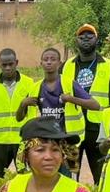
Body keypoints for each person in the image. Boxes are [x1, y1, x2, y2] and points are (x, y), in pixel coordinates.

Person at [16, 48, 100, 177]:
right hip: (45, 143)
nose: (49, 62)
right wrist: (23, 104)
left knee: (70, 180)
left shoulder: (69, 84)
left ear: (59, 63)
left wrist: (71, 99)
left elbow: (95, 105)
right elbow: (19, 118)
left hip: (68, 143)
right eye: (46, 59)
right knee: (46, 177)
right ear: (41, 63)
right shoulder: (35, 88)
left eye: (53, 59)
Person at [62, 24, 110, 185]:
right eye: (81, 36)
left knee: (100, 176)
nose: (85, 38)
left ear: (96, 39)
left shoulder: (109, 66)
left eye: (90, 35)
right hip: (73, 130)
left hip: (98, 130)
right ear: (76, 41)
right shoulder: (66, 66)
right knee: (70, 176)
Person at [0, 48, 36, 177]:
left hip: (22, 141)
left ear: (16, 62)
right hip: (0, 142)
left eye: (11, 64)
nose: (7, 68)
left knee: (25, 177)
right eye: (4, 65)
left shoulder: (29, 83)